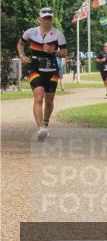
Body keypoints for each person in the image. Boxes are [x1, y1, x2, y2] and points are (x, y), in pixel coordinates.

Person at [17, 8, 67, 141]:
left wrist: (53, 51)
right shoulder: (31, 32)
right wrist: (21, 55)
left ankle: (45, 123)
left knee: (49, 101)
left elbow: (64, 53)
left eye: (49, 18)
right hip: (35, 69)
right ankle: (41, 129)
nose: (46, 20)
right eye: (44, 18)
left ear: (52, 19)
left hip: (52, 72)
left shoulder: (58, 34)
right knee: (38, 96)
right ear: (38, 18)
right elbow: (20, 43)